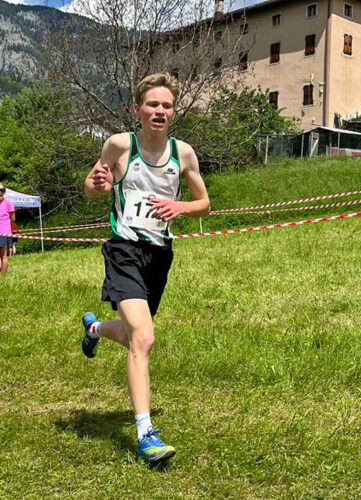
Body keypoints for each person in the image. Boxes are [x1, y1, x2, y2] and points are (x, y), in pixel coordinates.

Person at [79, 73, 210, 465]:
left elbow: (204, 203)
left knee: (137, 335)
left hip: (159, 255)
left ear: (173, 112)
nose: (160, 111)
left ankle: (94, 329)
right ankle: (145, 433)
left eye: (167, 105)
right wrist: (98, 185)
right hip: (123, 250)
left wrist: (181, 207)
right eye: (152, 104)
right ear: (138, 110)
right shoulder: (121, 145)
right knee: (145, 338)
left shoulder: (183, 153)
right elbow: (91, 184)